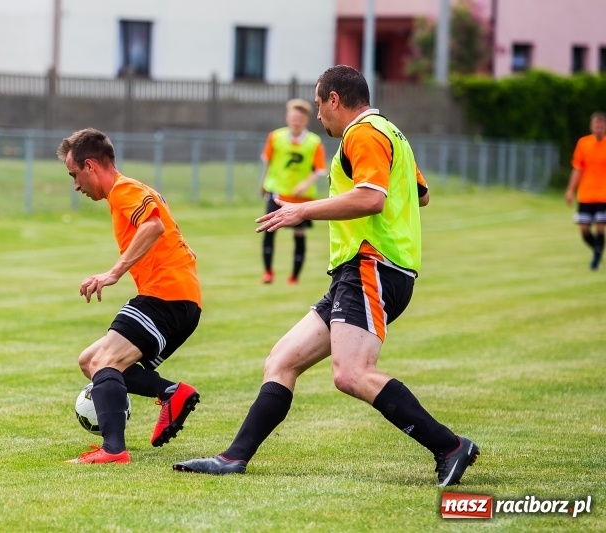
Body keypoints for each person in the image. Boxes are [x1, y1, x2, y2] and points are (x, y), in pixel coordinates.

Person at [173, 65, 479, 487]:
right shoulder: (391, 133)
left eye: (319, 104)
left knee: (350, 373)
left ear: (336, 99)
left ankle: (449, 446)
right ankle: (233, 457)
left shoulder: (363, 133)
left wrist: (303, 209)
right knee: (282, 360)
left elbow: (372, 199)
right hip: (359, 270)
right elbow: (421, 194)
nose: (317, 115)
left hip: (372, 265)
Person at [57, 128, 202, 465]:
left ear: (91, 166)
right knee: (88, 361)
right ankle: (170, 393)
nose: (76, 185)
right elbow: (170, 232)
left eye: (74, 175)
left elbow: (153, 226)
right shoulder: (133, 190)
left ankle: (113, 450)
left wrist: (114, 273)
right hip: (176, 296)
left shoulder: (124, 189)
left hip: (166, 296)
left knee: (104, 362)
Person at [259, 98, 327, 284]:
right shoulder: (276, 137)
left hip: (301, 198)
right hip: (278, 192)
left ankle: (294, 276)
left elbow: (319, 170)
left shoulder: (314, 142)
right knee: (269, 229)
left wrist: (304, 184)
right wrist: (263, 182)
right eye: (293, 117)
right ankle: (268, 273)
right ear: (287, 118)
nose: (296, 121)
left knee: (299, 234)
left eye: (300, 118)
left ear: (305, 120)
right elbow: (268, 162)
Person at [565, 111, 606, 271]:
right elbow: (577, 169)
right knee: (584, 229)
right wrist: (570, 190)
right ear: (591, 126)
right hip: (586, 194)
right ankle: (597, 249)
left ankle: (596, 259)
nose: (598, 128)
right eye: (596, 124)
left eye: (601, 125)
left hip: (603, 194)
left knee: (601, 226)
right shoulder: (583, 143)